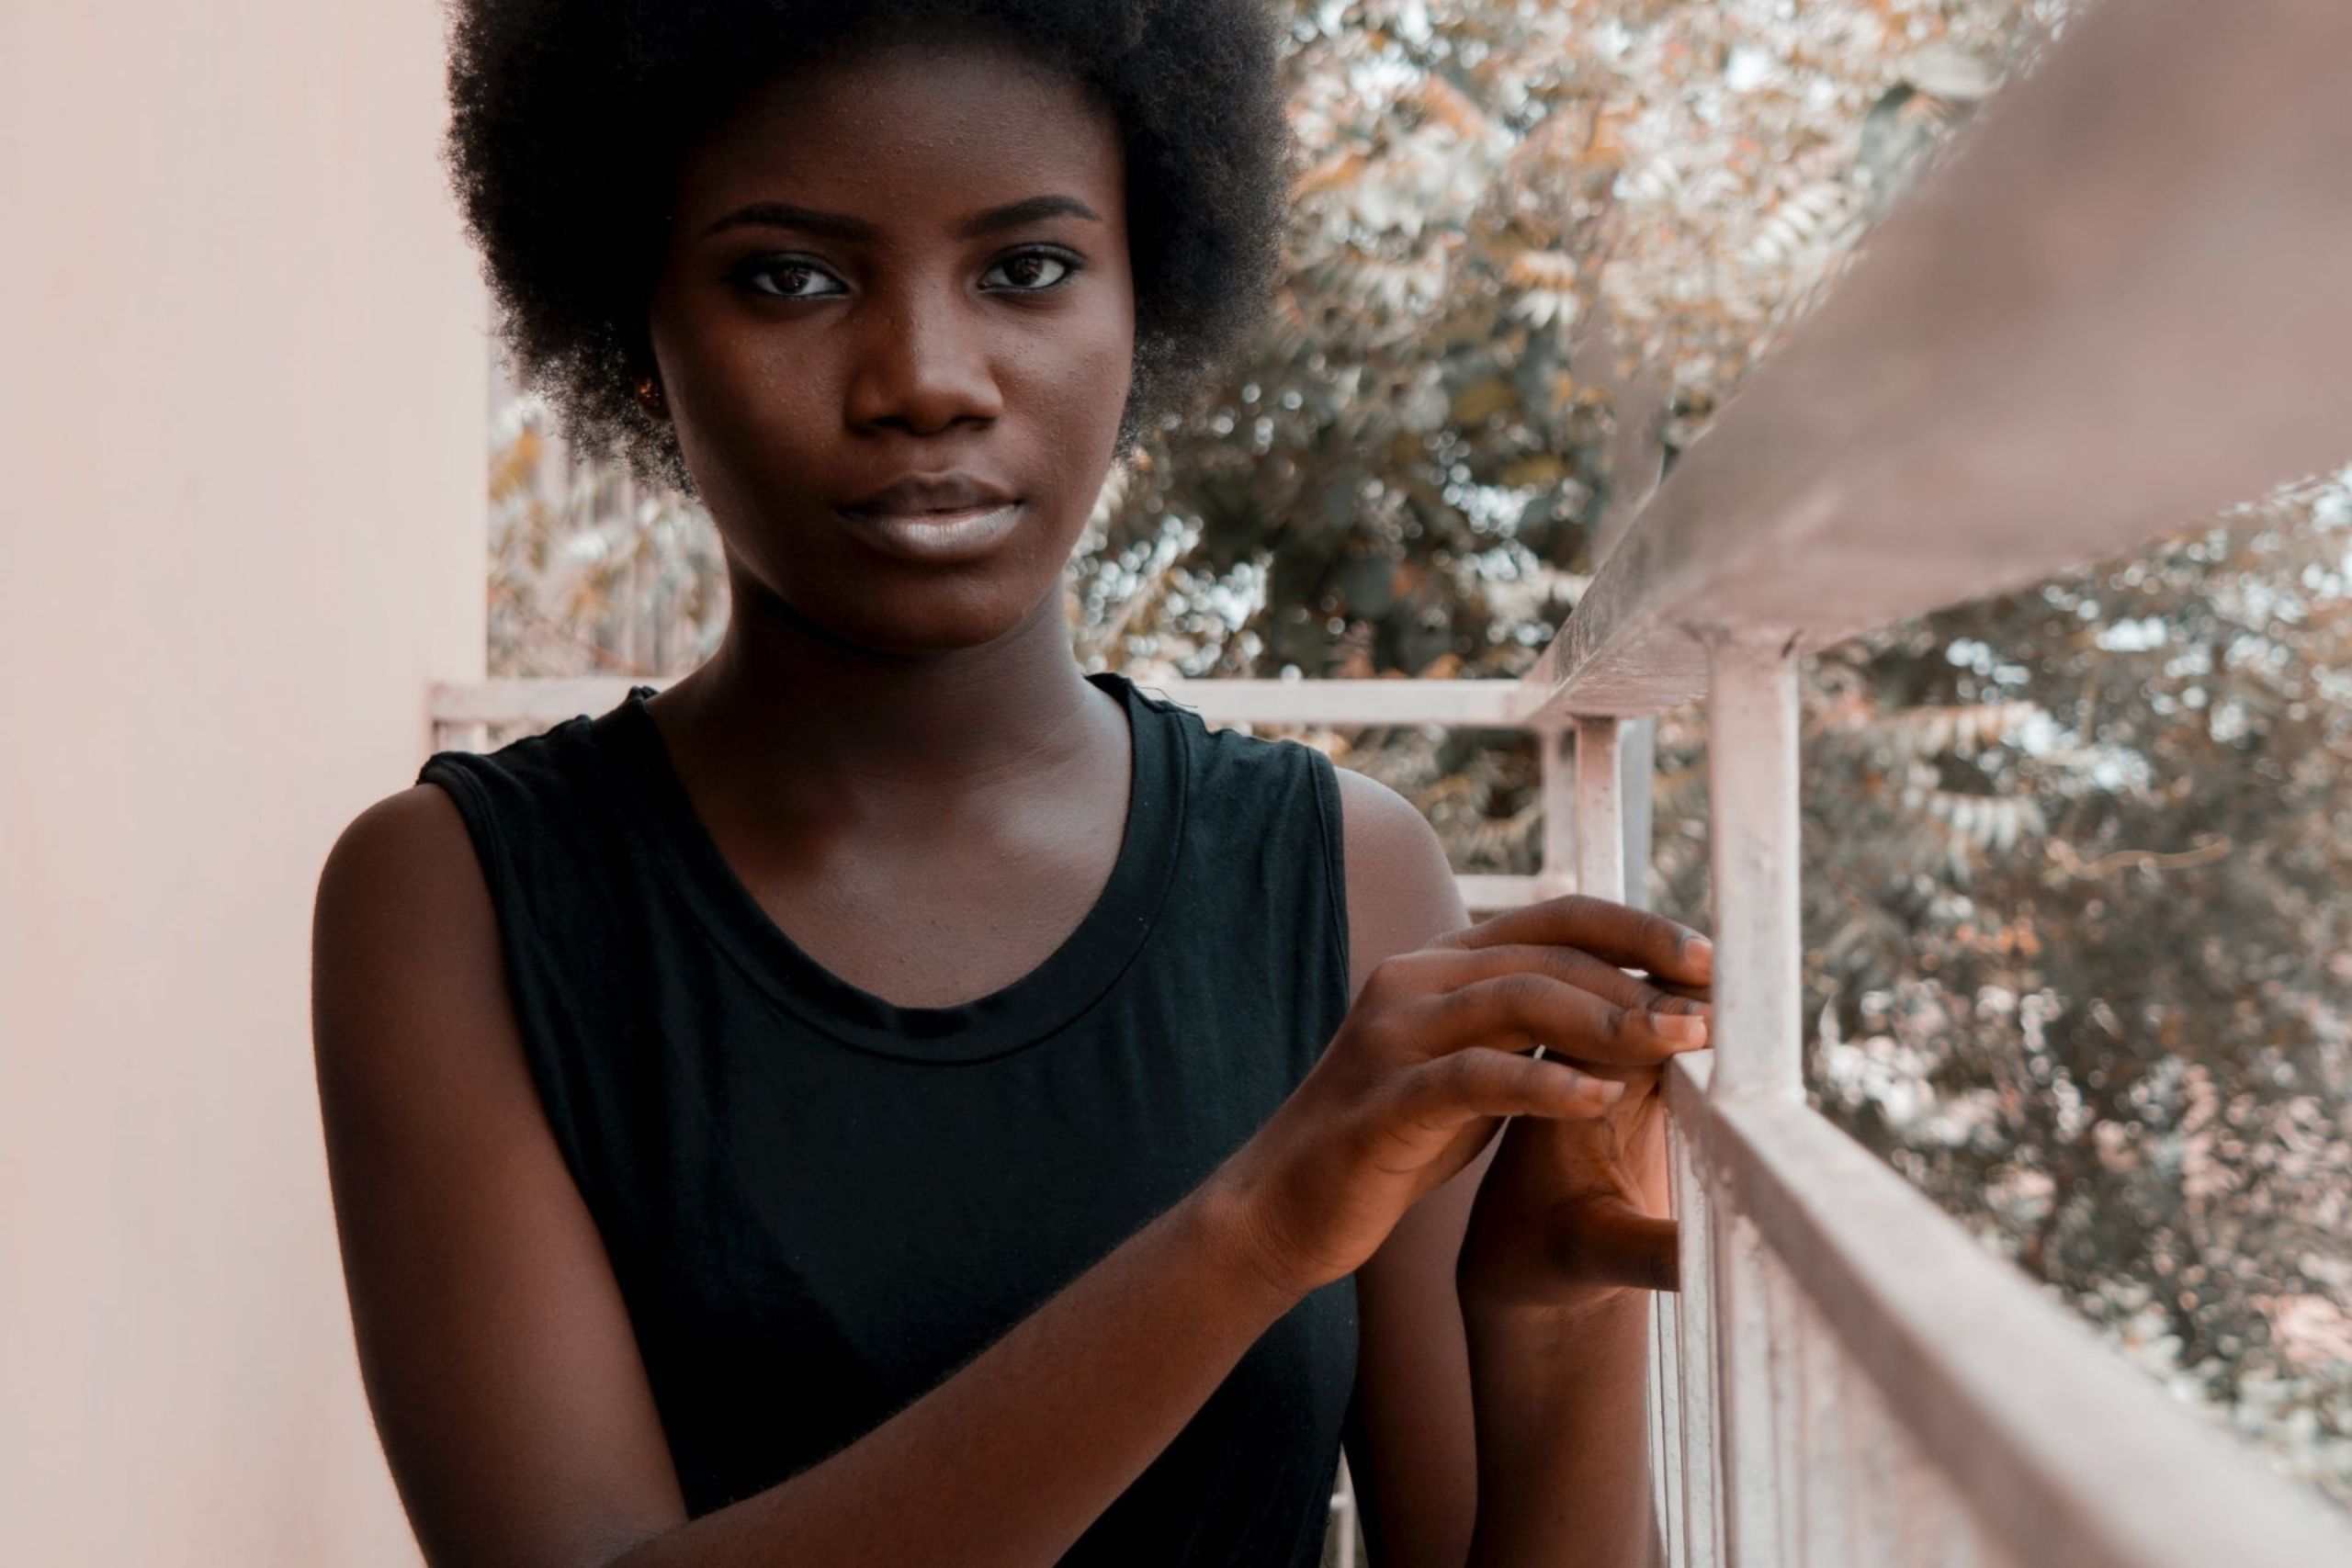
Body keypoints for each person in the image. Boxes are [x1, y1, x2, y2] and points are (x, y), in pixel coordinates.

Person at [310, 3, 1713, 1564]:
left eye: (1027, 270)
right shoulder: (452, 903)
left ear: (1146, 298)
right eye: (791, 277)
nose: (926, 378)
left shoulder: (1343, 877)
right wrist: (1251, 1233)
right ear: (639, 331)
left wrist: (1555, 1321)